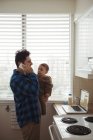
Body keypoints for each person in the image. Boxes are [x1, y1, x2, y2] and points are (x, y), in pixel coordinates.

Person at [10, 49, 41, 140]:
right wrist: (32, 73)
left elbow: (36, 92)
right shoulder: (16, 79)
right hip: (28, 120)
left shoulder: (25, 75)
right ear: (21, 64)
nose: (31, 63)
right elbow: (34, 90)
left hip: (34, 117)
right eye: (29, 61)